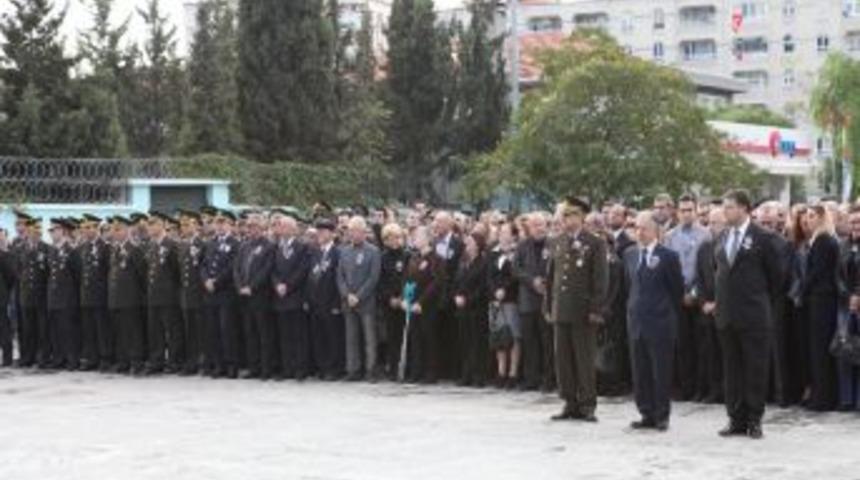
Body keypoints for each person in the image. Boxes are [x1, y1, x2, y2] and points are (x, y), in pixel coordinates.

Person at [703, 189, 782, 439]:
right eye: (724, 207)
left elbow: (776, 278)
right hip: (726, 315)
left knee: (755, 369)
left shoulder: (763, 237)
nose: (725, 211)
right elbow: (718, 272)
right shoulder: (722, 236)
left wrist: (758, 300)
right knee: (733, 370)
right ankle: (735, 419)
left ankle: (754, 419)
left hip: (754, 315)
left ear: (745, 208)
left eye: (730, 207)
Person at [546, 197, 609, 423]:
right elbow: (551, 278)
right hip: (561, 308)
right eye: (564, 215)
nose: (565, 219)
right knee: (563, 359)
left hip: (583, 311)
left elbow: (600, 280)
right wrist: (548, 306)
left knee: (584, 359)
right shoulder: (557, 241)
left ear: (581, 217)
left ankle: (588, 403)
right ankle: (569, 401)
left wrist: (595, 308)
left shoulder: (595, 242)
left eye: (570, 215)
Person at [624, 212, 684, 431]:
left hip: (660, 323)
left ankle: (661, 415)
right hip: (636, 321)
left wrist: (664, 313)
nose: (639, 232)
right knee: (640, 371)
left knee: (660, 371)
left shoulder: (668, 256)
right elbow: (629, 286)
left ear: (655, 231)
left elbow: (677, 290)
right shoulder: (630, 254)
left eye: (644, 228)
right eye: (636, 228)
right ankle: (646, 412)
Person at [664, 194, 710, 401]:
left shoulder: (706, 235)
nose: (686, 214)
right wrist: (679, 294)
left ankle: (701, 389)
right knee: (681, 345)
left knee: (701, 345)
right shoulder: (669, 236)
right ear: (677, 212)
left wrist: (694, 294)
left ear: (696, 210)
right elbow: (667, 270)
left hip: (698, 297)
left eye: (690, 209)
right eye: (683, 210)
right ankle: (685, 387)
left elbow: (707, 271)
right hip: (677, 298)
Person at [802, 204, 840, 411]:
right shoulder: (822, 239)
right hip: (822, 299)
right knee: (819, 349)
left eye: (812, 216)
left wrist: (802, 290)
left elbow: (816, 272)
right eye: (807, 216)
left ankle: (823, 398)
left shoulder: (823, 240)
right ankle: (823, 394)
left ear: (822, 217)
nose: (808, 219)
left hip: (821, 300)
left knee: (820, 349)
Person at [336, 216, 382, 381]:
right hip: (348, 301)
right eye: (350, 231)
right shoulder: (344, 251)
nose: (353, 234)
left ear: (364, 232)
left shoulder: (373, 251)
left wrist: (359, 295)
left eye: (357, 230)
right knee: (351, 338)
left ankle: (371, 370)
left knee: (369, 338)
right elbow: (339, 276)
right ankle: (353, 369)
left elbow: (373, 278)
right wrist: (347, 294)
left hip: (366, 302)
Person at [514, 213, 554, 392]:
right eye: (535, 225)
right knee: (529, 342)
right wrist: (532, 281)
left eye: (542, 224)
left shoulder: (553, 244)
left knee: (547, 342)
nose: (539, 228)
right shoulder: (522, 245)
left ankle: (548, 379)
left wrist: (545, 281)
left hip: (547, 299)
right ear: (528, 228)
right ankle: (531, 378)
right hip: (527, 301)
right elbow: (516, 269)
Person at [271, 212, 312, 380]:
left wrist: (288, 285)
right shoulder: (276, 247)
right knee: (284, 335)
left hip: (296, 296)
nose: (280, 228)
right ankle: (287, 368)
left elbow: (302, 270)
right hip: (280, 297)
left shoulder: (301, 247)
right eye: (279, 225)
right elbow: (272, 269)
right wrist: (277, 284)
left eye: (283, 225)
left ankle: (300, 369)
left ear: (292, 228)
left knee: (298, 335)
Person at [402, 226, 446, 383]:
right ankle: (416, 371)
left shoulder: (436, 258)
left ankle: (431, 372)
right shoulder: (413, 258)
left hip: (428, 305)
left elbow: (437, 282)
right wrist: (405, 299)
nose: (415, 239)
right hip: (412, 304)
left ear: (427, 238)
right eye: (414, 236)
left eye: (418, 236)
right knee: (415, 338)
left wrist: (421, 302)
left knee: (429, 338)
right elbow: (407, 279)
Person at [234, 212, 275, 379]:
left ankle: (266, 368)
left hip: (260, 296)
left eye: (254, 226)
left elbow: (267, 270)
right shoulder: (244, 246)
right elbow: (236, 268)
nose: (250, 229)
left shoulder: (268, 246)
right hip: (245, 297)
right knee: (250, 334)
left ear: (262, 227)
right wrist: (240, 286)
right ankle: (254, 367)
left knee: (264, 334)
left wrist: (252, 286)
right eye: (248, 226)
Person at [201, 209, 240, 379]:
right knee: (213, 329)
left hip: (226, 292)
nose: (220, 225)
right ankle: (219, 364)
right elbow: (203, 265)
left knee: (227, 330)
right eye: (217, 222)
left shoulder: (235, 243)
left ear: (229, 224)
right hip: (210, 293)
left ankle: (232, 364)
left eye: (223, 222)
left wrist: (216, 281)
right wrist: (206, 280)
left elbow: (232, 267)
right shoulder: (210, 243)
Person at [144, 213, 183, 375]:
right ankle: (157, 360)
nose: (151, 228)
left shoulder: (172, 245)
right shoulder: (151, 245)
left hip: (169, 295)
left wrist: (174, 292)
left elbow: (177, 272)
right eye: (150, 224)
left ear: (162, 226)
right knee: (155, 330)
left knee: (172, 330)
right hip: (153, 295)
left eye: (154, 224)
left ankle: (174, 361)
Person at [108, 216, 147, 374]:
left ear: (126, 230)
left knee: (133, 331)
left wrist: (138, 296)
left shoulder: (134, 249)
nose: (114, 233)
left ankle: (136, 361)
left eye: (118, 229)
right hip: (117, 298)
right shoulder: (115, 249)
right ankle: (123, 361)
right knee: (120, 331)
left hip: (131, 299)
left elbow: (142, 275)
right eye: (113, 229)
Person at [694, 207, 726, 403]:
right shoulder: (704, 247)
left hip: (726, 308)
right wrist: (704, 302)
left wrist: (719, 303)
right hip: (707, 308)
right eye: (710, 223)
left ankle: (727, 390)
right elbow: (699, 277)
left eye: (716, 223)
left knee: (727, 353)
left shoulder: (731, 245)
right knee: (710, 352)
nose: (712, 227)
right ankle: (713, 390)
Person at [307, 219, 343, 380]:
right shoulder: (315, 252)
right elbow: (310, 277)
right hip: (315, 302)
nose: (320, 234)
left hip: (331, 302)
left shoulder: (338, 253)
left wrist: (336, 303)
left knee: (333, 337)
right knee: (318, 336)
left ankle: (333, 368)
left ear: (332, 234)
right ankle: (322, 367)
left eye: (324, 231)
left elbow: (338, 279)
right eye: (319, 231)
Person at [453, 231, 489, 387]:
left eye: (470, 242)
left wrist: (467, 299)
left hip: (476, 308)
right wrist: (456, 296)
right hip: (462, 308)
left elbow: (483, 286)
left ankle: (478, 375)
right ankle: (465, 374)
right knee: (464, 341)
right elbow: (456, 282)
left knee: (477, 343)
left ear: (478, 244)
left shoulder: (483, 262)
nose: (467, 245)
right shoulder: (463, 261)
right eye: (466, 242)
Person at [488, 222, 521, 389]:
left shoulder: (517, 252)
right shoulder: (493, 252)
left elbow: (515, 275)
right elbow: (489, 275)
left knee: (513, 336)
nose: (501, 234)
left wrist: (504, 290)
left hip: (511, 299)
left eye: (505, 232)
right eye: (500, 232)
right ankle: (501, 371)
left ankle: (513, 373)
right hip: (495, 300)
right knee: (499, 336)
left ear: (513, 235)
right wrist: (495, 291)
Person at [47, 219, 81, 370]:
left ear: (63, 232)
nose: (52, 233)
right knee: (55, 331)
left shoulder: (71, 251)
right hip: (54, 298)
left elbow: (77, 275)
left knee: (68, 331)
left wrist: (72, 297)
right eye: (51, 231)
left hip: (67, 298)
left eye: (55, 230)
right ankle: (59, 358)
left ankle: (72, 359)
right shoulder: (53, 250)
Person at [78, 214, 111, 371]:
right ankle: (92, 358)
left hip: (100, 296)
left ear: (96, 228)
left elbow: (107, 272)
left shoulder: (105, 248)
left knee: (102, 329)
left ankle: (105, 358)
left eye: (89, 227)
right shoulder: (83, 248)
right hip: (86, 295)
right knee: (89, 328)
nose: (86, 231)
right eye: (84, 228)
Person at [378, 223, 410, 380]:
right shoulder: (382, 257)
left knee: (404, 335)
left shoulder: (407, 256)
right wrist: (390, 297)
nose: (396, 241)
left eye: (398, 237)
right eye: (392, 238)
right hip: (389, 302)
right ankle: (392, 368)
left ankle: (404, 368)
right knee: (391, 336)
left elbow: (408, 278)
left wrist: (402, 297)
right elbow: (381, 280)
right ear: (385, 240)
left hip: (404, 300)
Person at [177, 210, 206, 375]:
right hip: (186, 294)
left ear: (196, 225)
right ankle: (191, 361)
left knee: (200, 330)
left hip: (198, 294)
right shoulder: (182, 245)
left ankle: (202, 360)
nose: (184, 228)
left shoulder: (202, 245)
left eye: (187, 225)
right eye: (182, 225)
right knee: (189, 330)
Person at [838, 204, 860, 411]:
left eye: (859, 221)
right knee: (845, 350)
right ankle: (846, 399)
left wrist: (858, 296)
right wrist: (848, 295)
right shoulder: (843, 245)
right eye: (853, 221)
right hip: (845, 306)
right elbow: (837, 276)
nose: (856, 225)